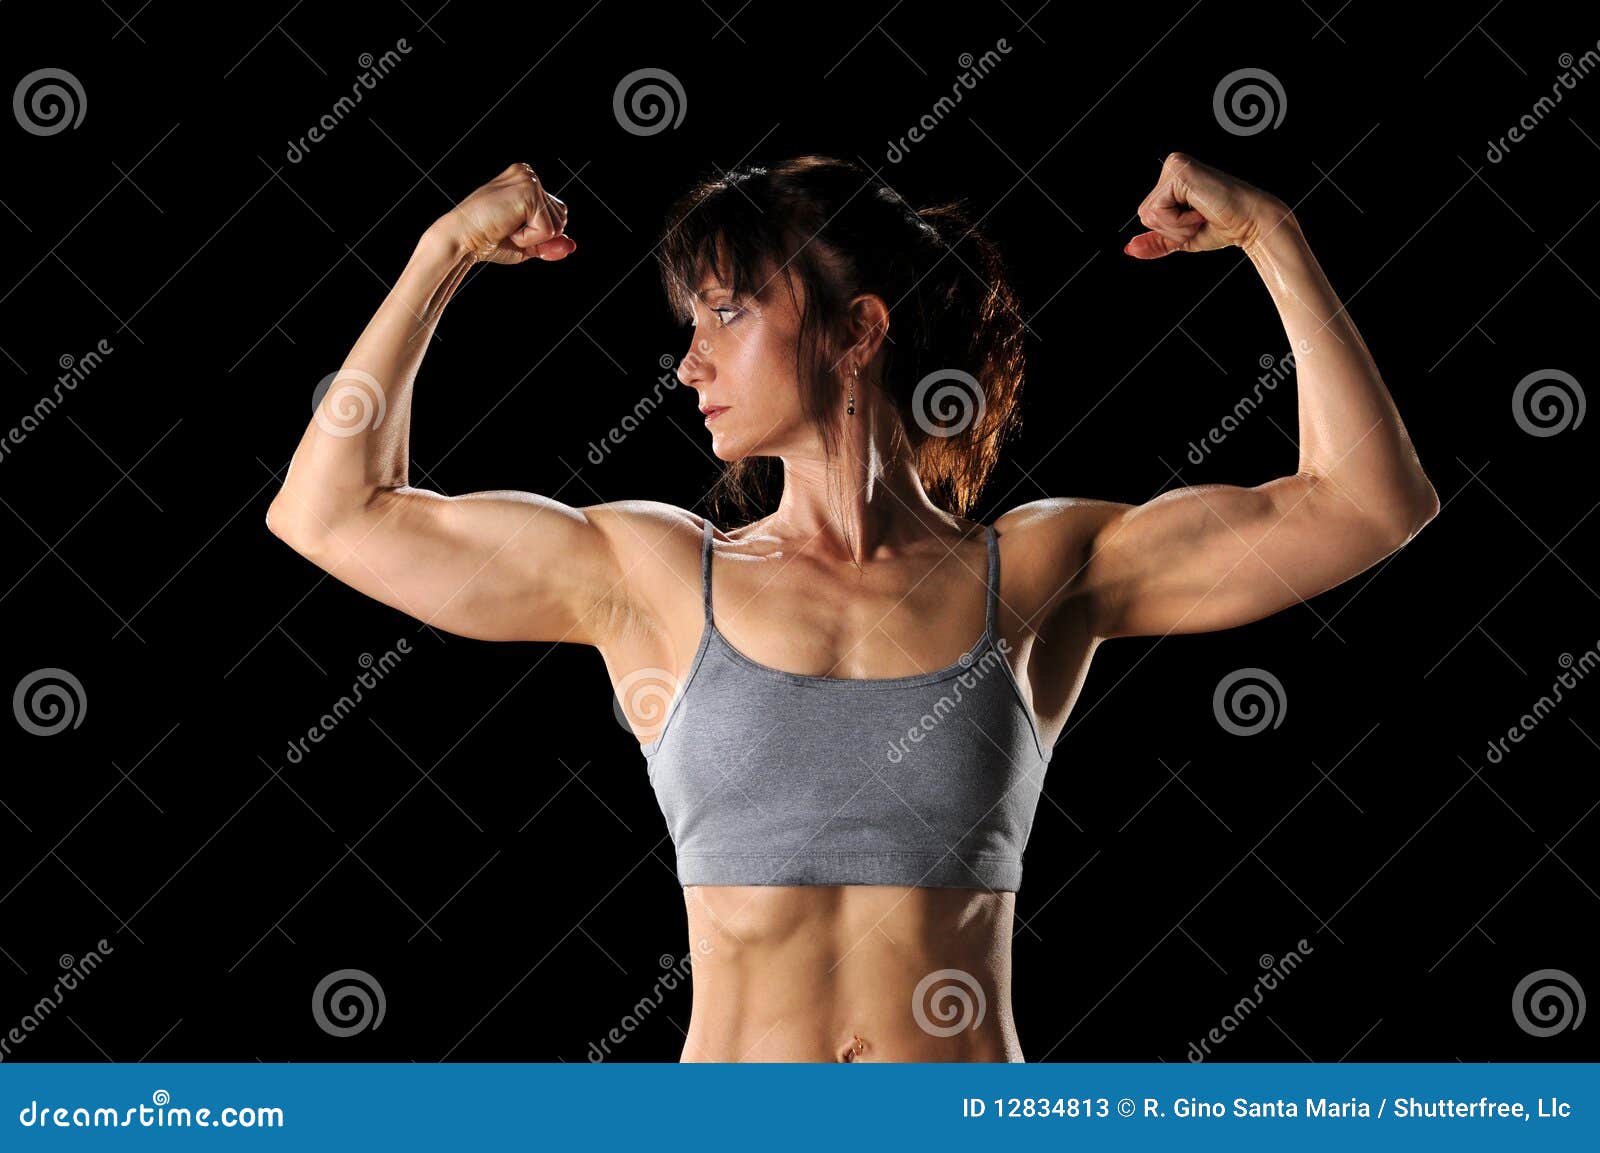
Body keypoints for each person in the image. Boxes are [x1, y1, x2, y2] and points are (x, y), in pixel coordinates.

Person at [266, 153, 1438, 1062]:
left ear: (859, 330)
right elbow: (333, 514)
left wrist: (1271, 237)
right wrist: (441, 253)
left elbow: (1367, 504)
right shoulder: (655, 574)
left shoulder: (1033, 574)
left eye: (725, 314)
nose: (689, 363)